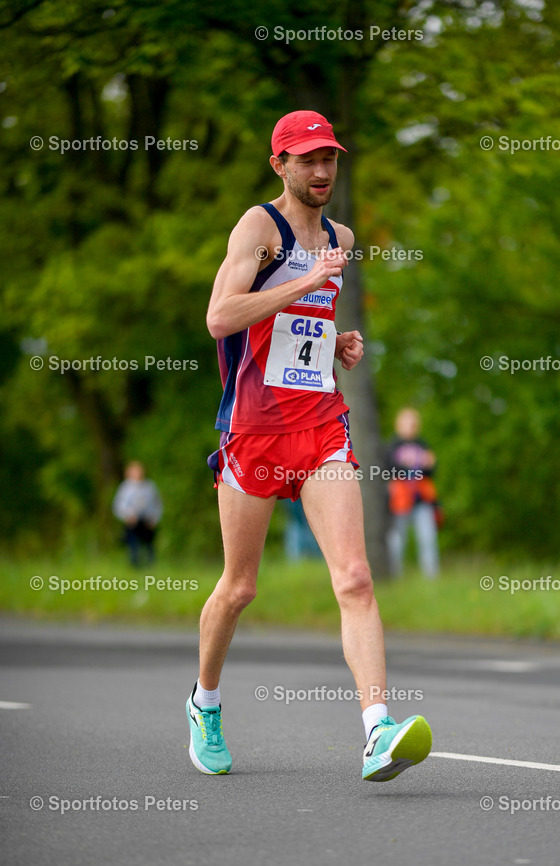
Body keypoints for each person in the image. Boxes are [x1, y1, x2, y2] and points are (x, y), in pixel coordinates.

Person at [186, 110, 432, 780]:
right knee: (239, 589)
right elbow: (220, 317)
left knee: (353, 577)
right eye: (307, 160)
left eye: (329, 159)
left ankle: (376, 732)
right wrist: (304, 279)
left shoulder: (340, 235)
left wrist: (337, 344)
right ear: (280, 165)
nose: (321, 171)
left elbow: (305, 324)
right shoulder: (257, 227)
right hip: (253, 429)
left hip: (320, 424)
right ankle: (204, 703)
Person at [387, 408, 440, 578]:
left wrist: (430, 465)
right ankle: (394, 577)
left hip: (422, 500)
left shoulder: (423, 444)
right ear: (398, 424)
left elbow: (431, 471)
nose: (411, 427)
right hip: (399, 502)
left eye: (414, 423)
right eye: (407, 423)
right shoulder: (391, 445)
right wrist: (406, 466)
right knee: (396, 542)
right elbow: (386, 469)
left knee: (427, 539)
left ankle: (431, 577)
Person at [112, 460, 163, 566]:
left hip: (147, 519)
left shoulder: (149, 486)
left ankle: (150, 565)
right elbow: (118, 505)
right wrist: (127, 515)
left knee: (149, 544)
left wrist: (155, 518)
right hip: (133, 521)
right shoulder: (125, 488)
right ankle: (135, 565)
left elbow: (157, 503)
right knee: (133, 544)